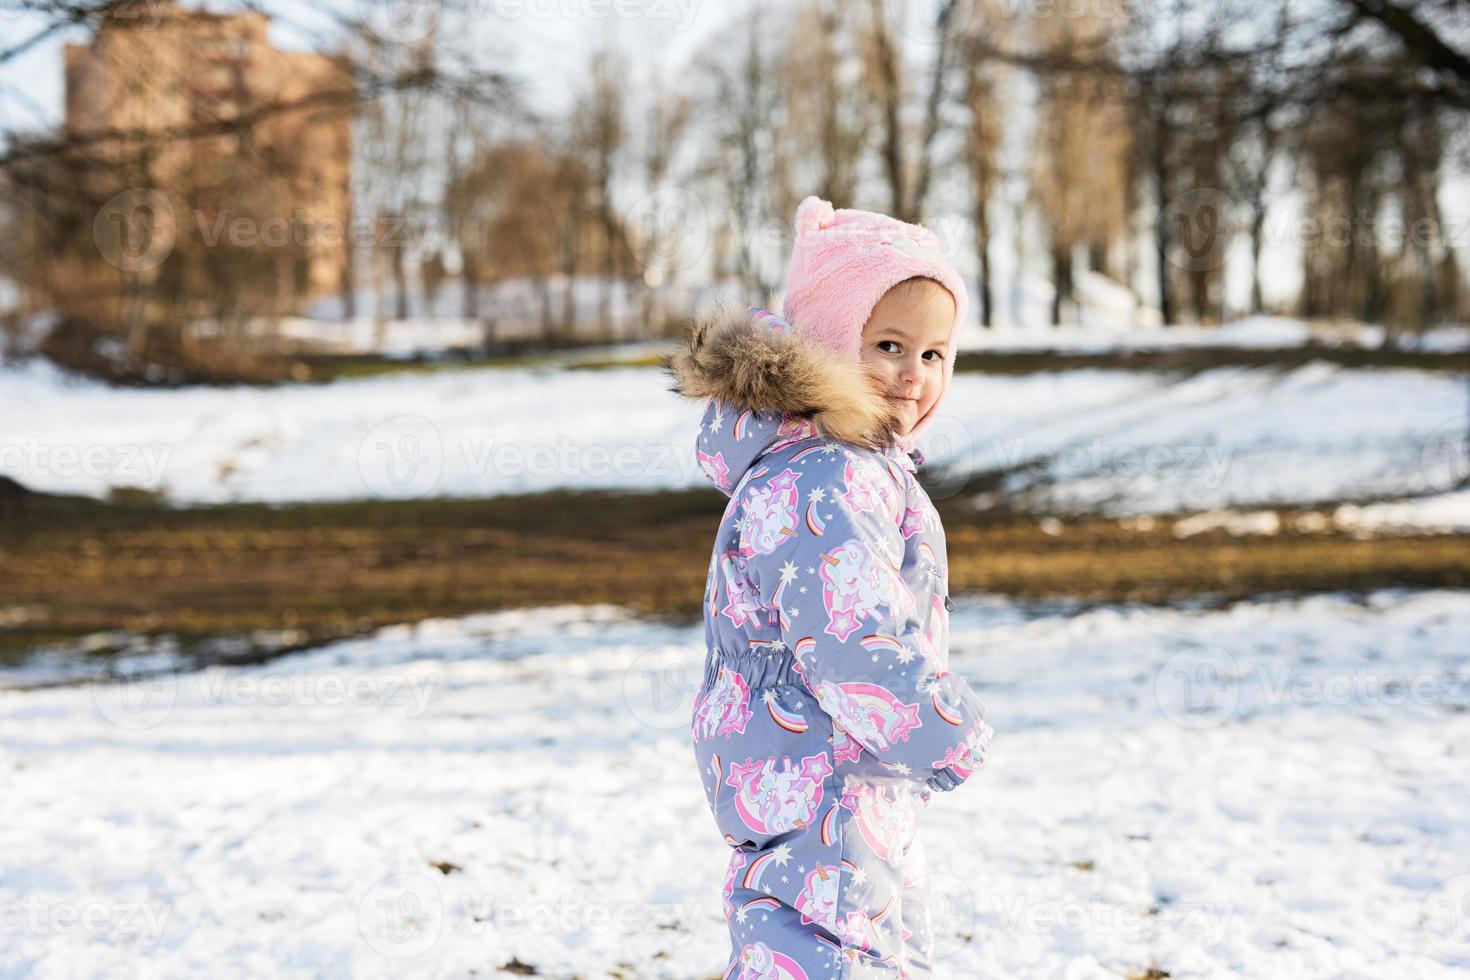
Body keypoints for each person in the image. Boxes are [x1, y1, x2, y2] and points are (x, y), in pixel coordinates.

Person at [664, 195, 994, 979]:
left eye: (935, 354)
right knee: (841, 956)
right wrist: (950, 729)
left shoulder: (820, 464)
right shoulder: (829, 479)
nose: (913, 374)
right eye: (887, 344)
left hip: (812, 776)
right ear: (829, 343)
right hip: (830, 779)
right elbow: (854, 645)